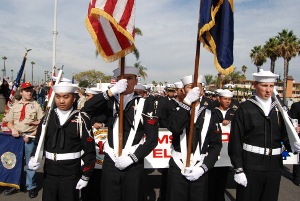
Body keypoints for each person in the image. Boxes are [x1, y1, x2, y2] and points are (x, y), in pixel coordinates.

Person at [83, 66, 158, 201]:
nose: (126, 82)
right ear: (117, 80)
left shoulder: (145, 103)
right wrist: (111, 92)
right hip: (111, 161)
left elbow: (152, 139)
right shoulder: (110, 101)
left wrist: (132, 158)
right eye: (122, 78)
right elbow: (87, 108)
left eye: (130, 78)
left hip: (133, 163)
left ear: (136, 81)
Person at [228, 70, 300, 201]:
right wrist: (238, 169)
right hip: (251, 165)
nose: (268, 90)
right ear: (255, 85)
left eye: (271, 86)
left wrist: (293, 144)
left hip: (274, 167)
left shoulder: (280, 109)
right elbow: (235, 140)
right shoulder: (245, 108)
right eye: (264, 86)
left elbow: (285, 135)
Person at [28, 82, 96, 201]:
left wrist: (86, 175)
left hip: (71, 174)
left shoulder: (82, 119)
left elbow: (89, 150)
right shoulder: (47, 118)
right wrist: (33, 157)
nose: (61, 101)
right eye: (58, 96)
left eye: (66, 97)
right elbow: (38, 143)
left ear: (74, 98)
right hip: (49, 172)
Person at [166, 75, 222, 201]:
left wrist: (204, 168)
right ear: (184, 90)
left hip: (199, 167)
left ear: (202, 91)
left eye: (197, 87)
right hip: (178, 166)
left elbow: (216, 145)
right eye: (190, 87)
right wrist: (186, 103)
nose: (194, 90)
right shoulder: (174, 109)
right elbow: (175, 127)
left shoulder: (210, 114)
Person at [5, 83, 44, 198]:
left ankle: (30, 186)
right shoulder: (15, 106)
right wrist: (13, 130)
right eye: (26, 91)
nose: (29, 93)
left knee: (29, 163)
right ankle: (16, 184)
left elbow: (42, 123)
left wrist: (31, 134)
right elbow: (9, 121)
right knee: (15, 162)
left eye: (31, 90)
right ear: (21, 92)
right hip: (16, 138)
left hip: (30, 137)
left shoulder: (36, 105)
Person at [157, 81, 186, 201]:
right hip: (170, 140)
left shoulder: (189, 105)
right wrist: (170, 127)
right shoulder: (167, 104)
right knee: (167, 173)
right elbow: (162, 118)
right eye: (177, 90)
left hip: (183, 144)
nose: (180, 93)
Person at [208, 89, 235, 201]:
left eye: (229, 99)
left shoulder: (234, 112)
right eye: (225, 99)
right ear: (219, 99)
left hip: (226, 152)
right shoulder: (211, 111)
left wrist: (230, 122)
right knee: (211, 178)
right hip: (213, 150)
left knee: (223, 178)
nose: (227, 101)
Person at [289, 101, 300, 186]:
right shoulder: (296, 106)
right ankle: (297, 177)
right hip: (298, 135)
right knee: (298, 157)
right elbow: (292, 120)